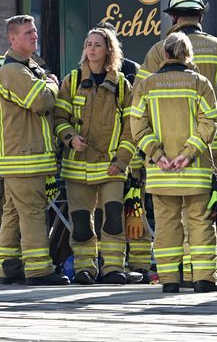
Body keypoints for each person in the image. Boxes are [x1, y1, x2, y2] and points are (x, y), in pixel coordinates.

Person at [135, 0, 217, 284]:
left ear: (173, 17)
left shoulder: (158, 50)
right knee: (207, 210)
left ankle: (173, 276)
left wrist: (154, 152)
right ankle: (208, 271)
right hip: (209, 144)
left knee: (170, 217)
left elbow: (139, 98)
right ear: (201, 16)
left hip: (164, 148)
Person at [130, 31, 217, 294]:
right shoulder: (200, 83)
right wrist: (188, 153)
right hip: (194, 169)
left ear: (165, 54)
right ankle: (204, 278)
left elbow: (138, 126)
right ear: (187, 54)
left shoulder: (146, 85)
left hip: (161, 172)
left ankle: (169, 280)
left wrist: (158, 156)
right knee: (201, 223)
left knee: (166, 225)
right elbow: (210, 122)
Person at [53, 27, 142, 285]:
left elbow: (131, 128)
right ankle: (85, 269)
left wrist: (122, 159)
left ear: (108, 51)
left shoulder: (123, 87)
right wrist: (70, 137)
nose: (91, 49)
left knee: (114, 220)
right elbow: (59, 118)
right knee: (81, 223)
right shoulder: (71, 81)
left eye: (97, 45)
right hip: (76, 168)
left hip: (110, 167)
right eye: (88, 44)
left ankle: (114, 268)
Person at [0, 15, 69, 285]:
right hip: (25, 158)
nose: (35, 36)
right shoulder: (14, 71)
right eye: (28, 33)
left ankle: (7, 267)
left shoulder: (26, 68)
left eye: (35, 31)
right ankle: (38, 270)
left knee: (13, 212)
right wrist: (52, 83)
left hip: (20, 158)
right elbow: (40, 101)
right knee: (33, 211)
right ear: (12, 39)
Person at [95, 21, 152, 282]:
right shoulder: (131, 70)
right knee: (127, 212)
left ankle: (135, 264)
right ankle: (124, 264)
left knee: (130, 212)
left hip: (130, 156)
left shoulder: (129, 72)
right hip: (119, 158)